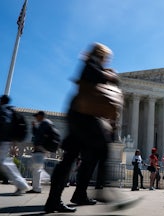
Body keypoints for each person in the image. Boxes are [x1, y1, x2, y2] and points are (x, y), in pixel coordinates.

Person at [44, 42, 136, 213]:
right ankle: (103, 191)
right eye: (106, 57)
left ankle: (67, 197)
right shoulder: (91, 64)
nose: (107, 60)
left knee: (75, 158)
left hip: (78, 114)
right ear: (101, 54)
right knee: (101, 149)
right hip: (83, 116)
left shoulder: (91, 64)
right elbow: (92, 75)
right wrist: (110, 76)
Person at [26, 111, 51, 193]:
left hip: (40, 150)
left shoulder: (45, 123)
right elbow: (38, 134)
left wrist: (39, 146)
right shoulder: (43, 124)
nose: (35, 118)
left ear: (41, 116)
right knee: (33, 166)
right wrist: (34, 127)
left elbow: (39, 135)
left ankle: (36, 188)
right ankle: (46, 178)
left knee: (36, 168)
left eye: (37, 116)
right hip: (39, 150)